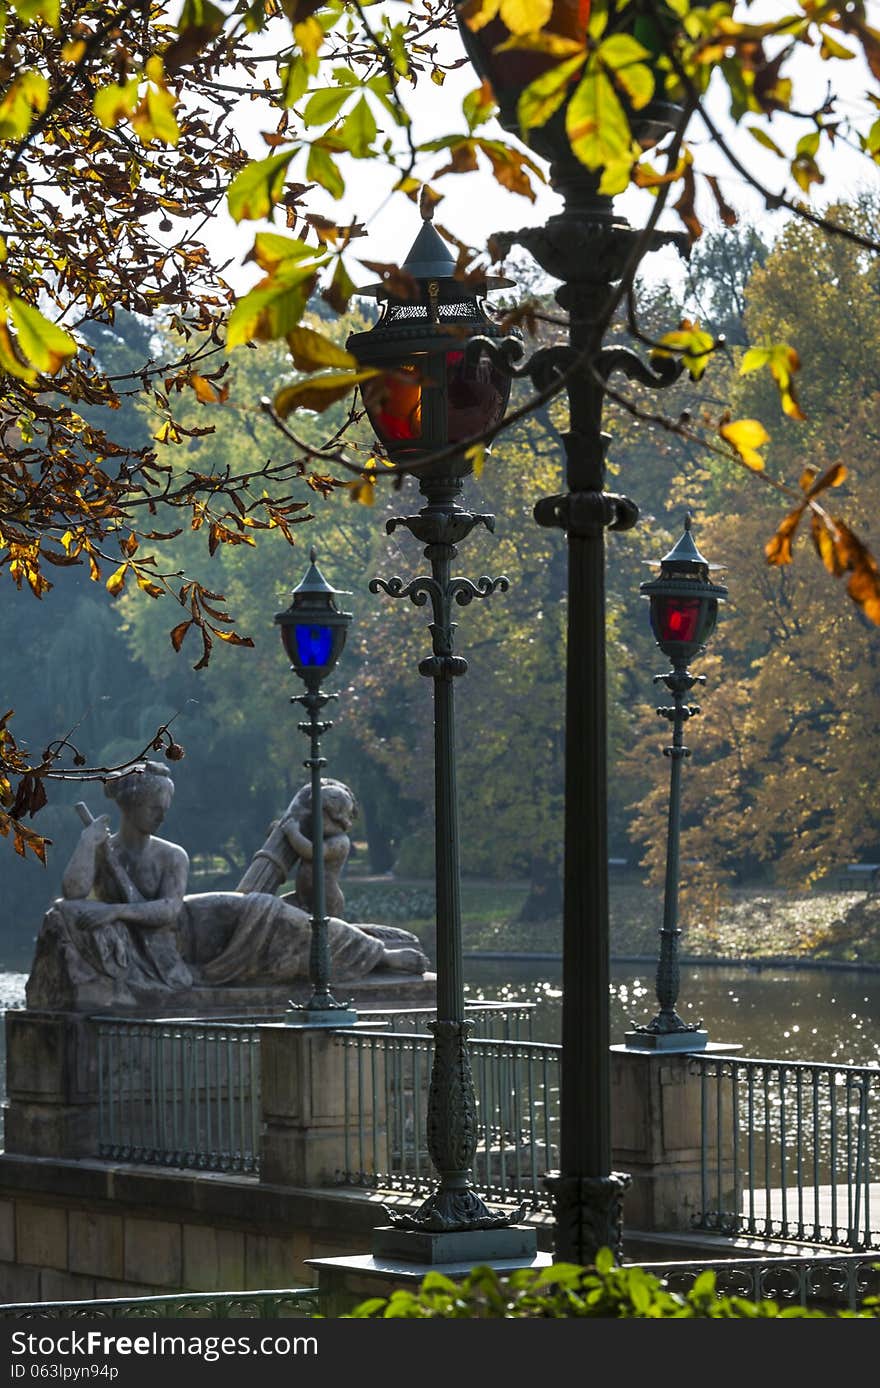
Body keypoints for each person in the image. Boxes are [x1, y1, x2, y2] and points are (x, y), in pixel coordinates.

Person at [25, 761, 429, 1011]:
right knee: (291, 937)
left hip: (213, 918)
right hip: (187, 945)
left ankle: (381, 956)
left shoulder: (172, 855)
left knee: (288, 926)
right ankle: (372, 950)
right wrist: (86, 844)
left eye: (166, 809)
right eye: (154, 808)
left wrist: (115, 911)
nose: (162, 816)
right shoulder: (105, 851)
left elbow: (168, 910)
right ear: (130, 806)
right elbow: (73, 895)